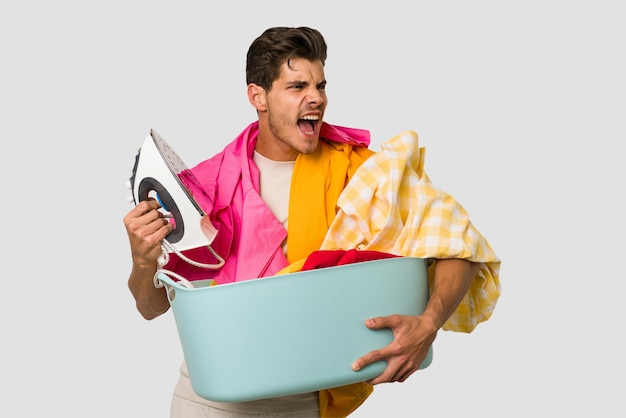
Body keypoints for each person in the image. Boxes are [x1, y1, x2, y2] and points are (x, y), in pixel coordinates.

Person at [123, 26, 501, 418]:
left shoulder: (364, 175)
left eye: (320, 85)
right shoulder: (204, 186)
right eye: (297, 86)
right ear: (258, 96)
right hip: (209, 400)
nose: (316, 98)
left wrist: (429, 323)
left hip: (304, 402)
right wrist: (143, 262)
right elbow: (152, 307)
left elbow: (459, 244)